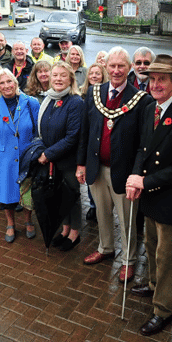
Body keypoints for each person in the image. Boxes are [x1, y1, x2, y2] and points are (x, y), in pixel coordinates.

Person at [126, 54, 172, 336]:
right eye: (152, 79)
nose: (156, 84)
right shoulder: (149, 109)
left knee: (167, 258)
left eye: (162, 80)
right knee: (152, 246)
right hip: (151, 197)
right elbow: (142, 151)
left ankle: (163, 310)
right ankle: (154, 284)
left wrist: (144, 182)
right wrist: (135, 179)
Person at [77, 46, 152, 283]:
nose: (116, 70)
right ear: (105, 68)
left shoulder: (141, 99)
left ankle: (129, 260)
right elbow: (85, 132)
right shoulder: (95, 93)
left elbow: (144, 144)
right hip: (97, 168)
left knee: (127, 219)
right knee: (102, 213)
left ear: (129, 68)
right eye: (112, 66)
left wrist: (136, 174)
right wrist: (82, 164)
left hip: (124, 172)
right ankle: (106, 247)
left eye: (121, 66)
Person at [0, 69, 40, 243]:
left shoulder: (31, 102)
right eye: (2, 83)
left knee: (27, 191)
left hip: (26, 157)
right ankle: (10, 223)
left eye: (9, 81)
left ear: (15, 82)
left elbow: (38, 133)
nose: (7, 86)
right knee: (6, 194)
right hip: (3, 160)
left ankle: (29, 220)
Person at [40, 62, 85, 251]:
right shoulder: (49, 98)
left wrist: (48, 154)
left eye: (63, 76)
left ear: (71, 80)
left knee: (72, 196)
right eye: (55, 75)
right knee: (59, 197)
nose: (58, 79)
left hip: (68, 161)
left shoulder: (75, 102)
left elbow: (72, 136)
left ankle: (75, 233)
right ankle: (65, 229)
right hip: (52, 161)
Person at [79, 62, 109, 222]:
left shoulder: (105, 94)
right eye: (92, 73)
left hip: (99, 141)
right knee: (91, 176)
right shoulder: (83, 94)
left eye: (98, 73)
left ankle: (100, 207)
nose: (94, 76)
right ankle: (93, 205)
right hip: (88, 142)